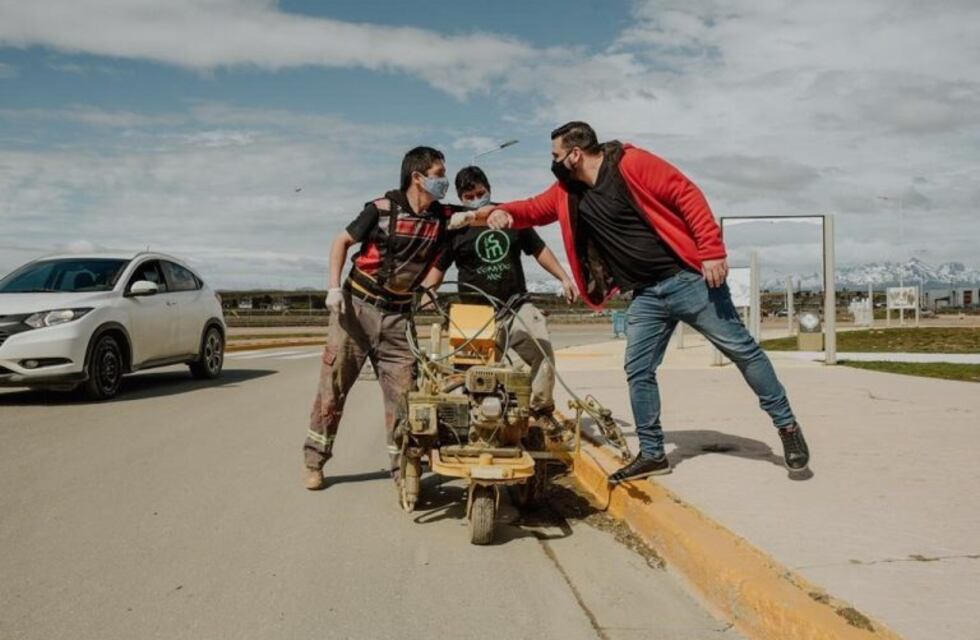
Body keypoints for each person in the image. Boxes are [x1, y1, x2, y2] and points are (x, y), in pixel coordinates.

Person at [463, 121, 809, 483]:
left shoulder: (632, 164)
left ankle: (787, 427)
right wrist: (501, 213)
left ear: (575, 154)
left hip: (689, 281)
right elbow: (533, 208)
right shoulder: (568, 191)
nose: (553, 162)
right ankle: (653, 453)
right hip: (646, 295)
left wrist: (711, 250)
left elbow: (686, 194)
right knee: (638, 369)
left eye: (556, 155)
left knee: (742, 351)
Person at [303, 146, 462, 490]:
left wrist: (494, 215)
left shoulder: (442, 217)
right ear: (417, 177)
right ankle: (315, 461)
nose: (444, 182)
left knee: (405, 398)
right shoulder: (380, 210)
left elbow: (478, 215)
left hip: (399, 318)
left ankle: (403, 469)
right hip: (356, 311)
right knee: (332, 389)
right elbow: (341, 242)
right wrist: (333, 288)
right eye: (439, 175)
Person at [422, 166, 577, 417]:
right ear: (461, 198)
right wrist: (427, 292)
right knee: (473, 375)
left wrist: (564, 277)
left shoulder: (509, 216)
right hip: (476, 314)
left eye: (480, 193)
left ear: (489, 189)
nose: (476, 199)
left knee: (542, 351)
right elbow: (439, 267)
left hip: (515, 305)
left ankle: (541, 409)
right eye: (469, 197)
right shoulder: (457, 228)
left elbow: (539, 249)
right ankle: (477, 418)